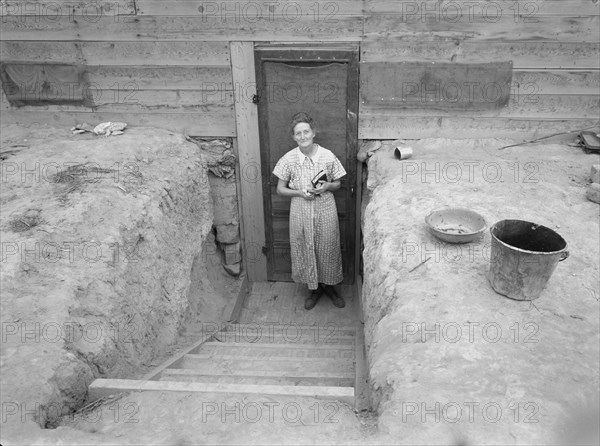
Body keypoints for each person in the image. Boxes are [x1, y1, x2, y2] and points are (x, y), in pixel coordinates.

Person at [272, 112, 347, 310]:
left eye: (306, 132)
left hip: (325, 208)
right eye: (298, 133)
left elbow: (338, 183)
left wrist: (326, 187)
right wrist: (299, 192)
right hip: (300, 209)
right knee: (305, 247)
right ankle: (313, 290)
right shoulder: (288, 159)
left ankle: (330, 287)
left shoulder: (327, 156)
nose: (303, 136)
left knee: (328, 246)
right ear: (294, 137)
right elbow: (280, 189)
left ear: (314, 133)